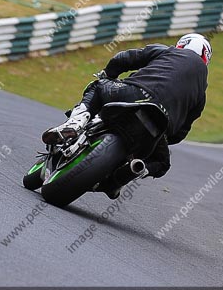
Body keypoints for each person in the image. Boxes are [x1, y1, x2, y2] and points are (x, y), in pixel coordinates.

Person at [42, 33, 211, 199]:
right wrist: (162, 136)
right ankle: (125, 175)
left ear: (182, 44)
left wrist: (109, 75)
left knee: (98, 87)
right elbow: (180, 134)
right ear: (206, 59)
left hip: (132, 94)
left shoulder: (167, 51)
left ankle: (74, 124)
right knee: (162, 164)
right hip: (159, 123)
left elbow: (125, 58)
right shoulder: (201, 93)